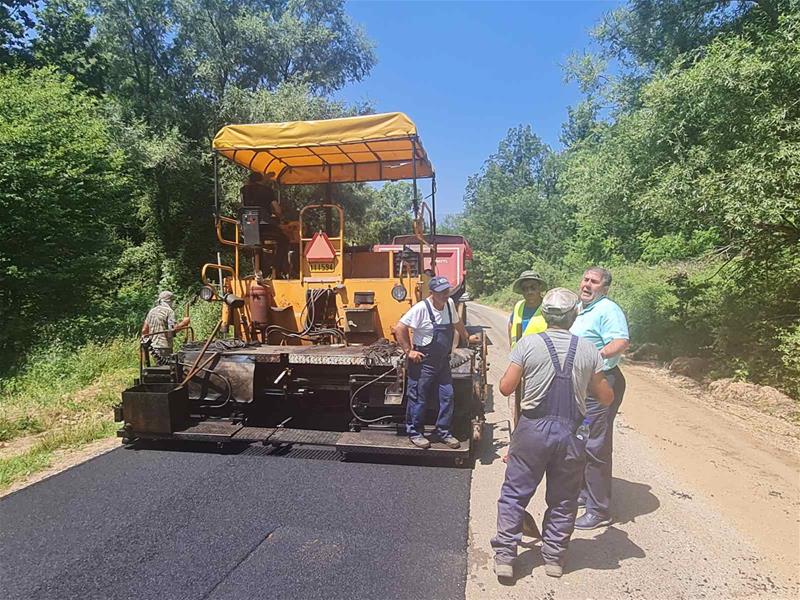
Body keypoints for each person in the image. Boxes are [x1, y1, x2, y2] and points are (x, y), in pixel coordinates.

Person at [491, 288, 613, 580]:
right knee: (563, 498)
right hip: (571, 433)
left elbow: (506, 388)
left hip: (532, 430)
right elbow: (606, 397)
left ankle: (506, 557)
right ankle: (554, 559)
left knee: (514, 495)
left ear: (545, 315)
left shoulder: (528, 344)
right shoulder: (588, 350)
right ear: (573, 316)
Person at [570, 267, 630, 530]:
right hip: (584, 384)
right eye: (585, 279)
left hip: (601, 382)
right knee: (581, 440)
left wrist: (596, 356)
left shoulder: (608, 309)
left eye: (593, 282)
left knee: (596, 446)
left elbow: (620, 342)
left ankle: (599, 510)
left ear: (604, 288)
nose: (587, 285)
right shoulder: (582, 310)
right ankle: (585, 494)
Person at [394, 276, 479, 449]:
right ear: (432, 293)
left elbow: (457, 323)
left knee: (447, 396)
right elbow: (399, 328)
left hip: (442, 363)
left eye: (446, 291)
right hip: (423, 363)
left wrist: (467, 337)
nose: (444, 295)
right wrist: (409, 351)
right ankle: (415, 433)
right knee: (418, 398)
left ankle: (444, 432)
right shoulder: (421, 309)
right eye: (440, 292)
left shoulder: (449, 306)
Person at [240, 172, 288, 274]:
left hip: (249, 226)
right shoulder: (267, 191)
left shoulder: (243, 190)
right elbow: (277, 210)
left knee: (256, 244)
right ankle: (276, 269)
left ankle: (258, 271)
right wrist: (280, 218)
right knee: (284, 240)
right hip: (265, 226)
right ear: (261, 180)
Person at [140, 291, 191, 366]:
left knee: (158, 367)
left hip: (153, 346)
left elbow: (144, 330)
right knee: (166, 370)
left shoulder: (152, 311)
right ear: (169, 301)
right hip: (164, 346)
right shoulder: (169, 312)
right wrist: (184, 323)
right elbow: (171, 331)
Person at [508, 270, 547, 346]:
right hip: (517, 355)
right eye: (525, 289)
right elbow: (511, 324)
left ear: (539, 287)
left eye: (533, 287)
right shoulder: (518, 306)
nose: (529, 292)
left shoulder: (549, 307)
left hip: (540, 355)